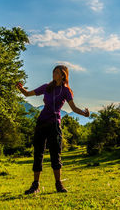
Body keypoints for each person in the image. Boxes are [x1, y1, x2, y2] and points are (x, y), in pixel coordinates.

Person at [16, 65, 90, 194]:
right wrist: (21, 89)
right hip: (41, 123)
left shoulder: (66, 91)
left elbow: (73, 108)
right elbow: (28, 94)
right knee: (38, 153)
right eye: (53, 72)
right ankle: (35, 186)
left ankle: (58, 185)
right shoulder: (46, 87)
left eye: (56, 72)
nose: (54, 74)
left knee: (55, 154)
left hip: (54, 124)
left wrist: (84, 114)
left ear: (63, 75)